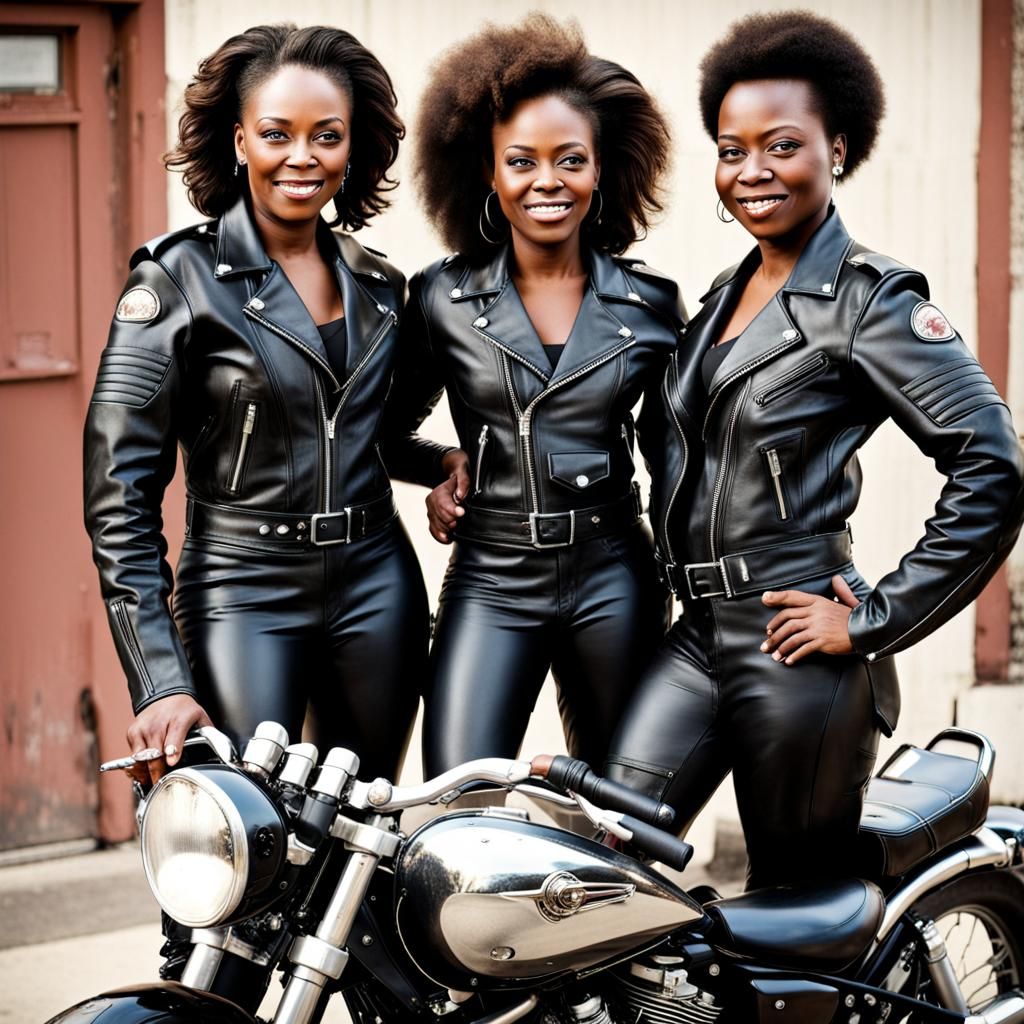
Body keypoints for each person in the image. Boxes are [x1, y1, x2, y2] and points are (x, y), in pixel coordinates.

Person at [604, 10, 1024, 889]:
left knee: (792, 923)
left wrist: (871, 619)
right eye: (731, 148)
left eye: (781, 145)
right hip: (697, 636)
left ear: (837, 148)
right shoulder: (723, 296)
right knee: (602, 864)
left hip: (799, 645)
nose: (752, 171)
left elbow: (993, 464)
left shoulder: (871, 300)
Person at [84, 24, 441, 791]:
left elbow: (368, 435)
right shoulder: (177, 280)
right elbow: (119, 492)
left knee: (361, 832)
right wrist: (157, 679)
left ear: (354, 147)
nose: (302, 157)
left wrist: (442, 462)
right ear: (240, 140)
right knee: (245, 841)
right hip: (242, 591)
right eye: (277, 134)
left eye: (327, 136)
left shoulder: (381, 288)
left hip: (377, 584)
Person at [383, 15, 679, 775]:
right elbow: (383, 432)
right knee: (452, 803)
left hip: (617, 573)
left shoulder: (651, 306)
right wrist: (443, 465)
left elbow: (683, 459)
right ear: (487, 171)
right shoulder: (441, 298)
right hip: (491, 576)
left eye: (569, 160)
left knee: (619, 818)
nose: (546, 180)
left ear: (601, 168)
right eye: (521, 161)